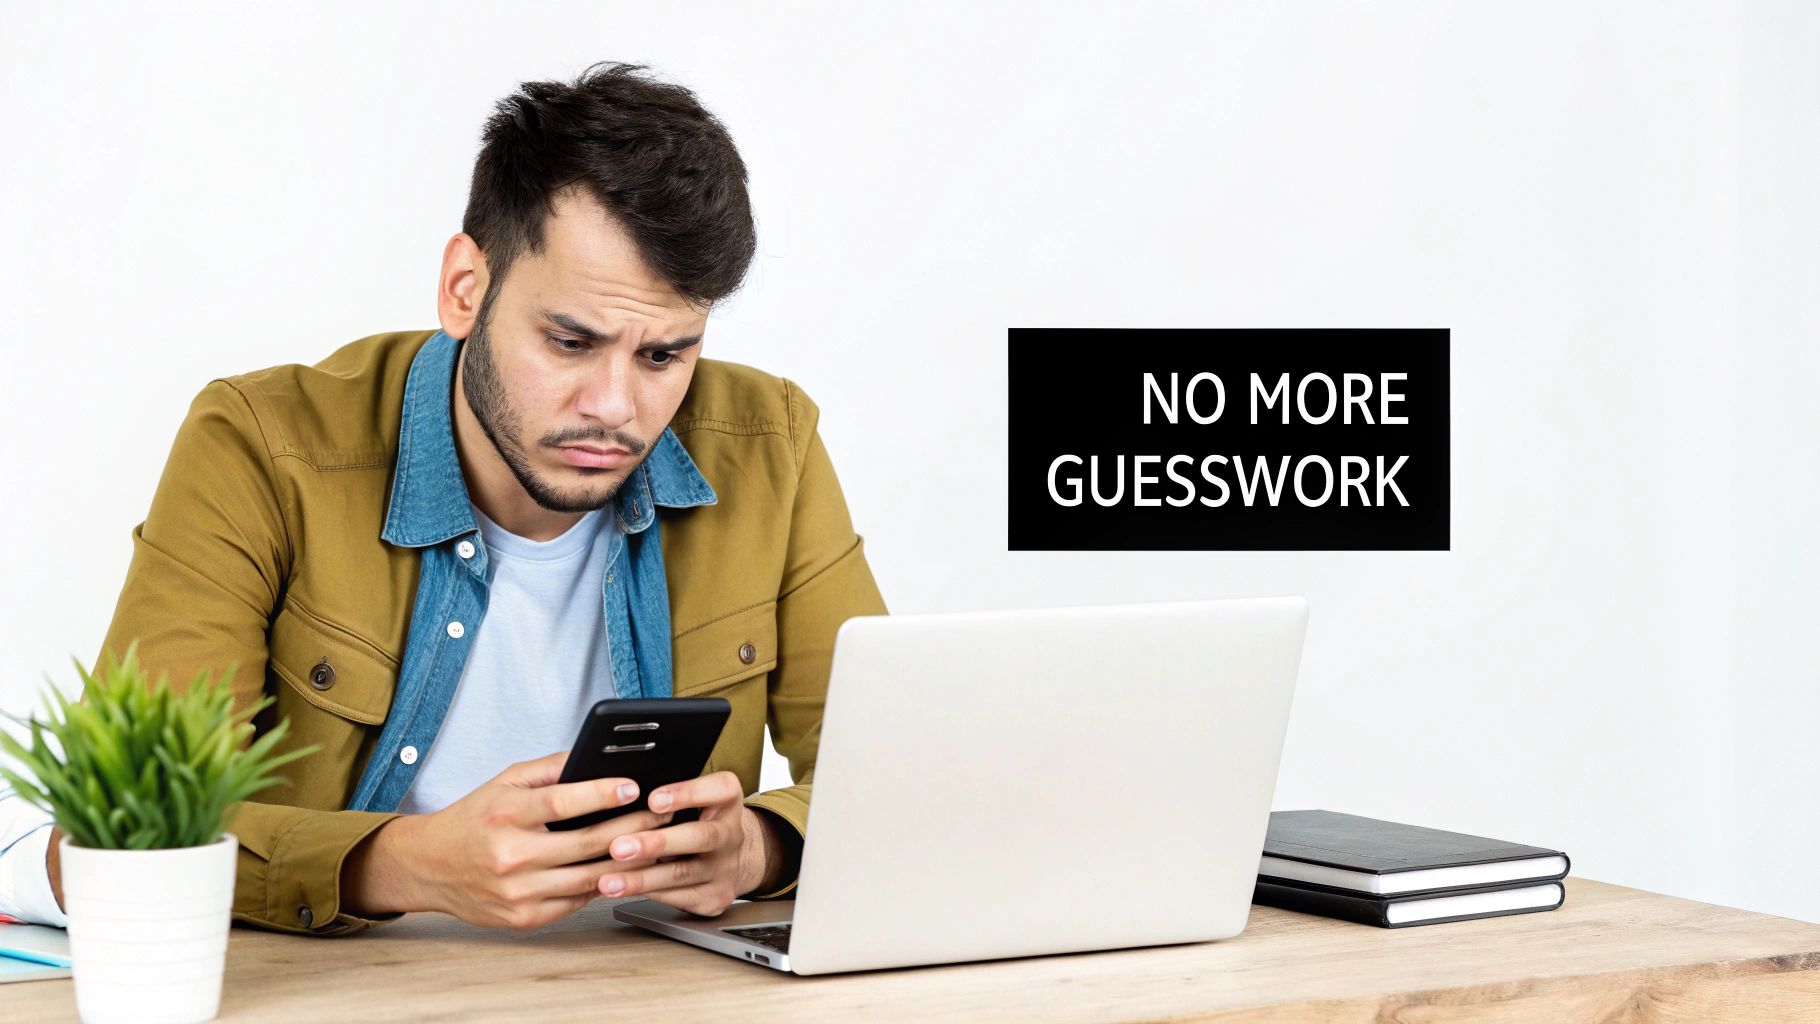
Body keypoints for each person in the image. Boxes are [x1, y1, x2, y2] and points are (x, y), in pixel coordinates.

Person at [0, 61, 887, 935]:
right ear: (466, 288)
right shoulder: (261, 449)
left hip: (651, 993)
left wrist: (757, 848)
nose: (616, 406)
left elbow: (889, 781)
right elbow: (133, 831)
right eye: (571, 341)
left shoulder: (774, 444)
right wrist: (403, 863)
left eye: (665, 355)